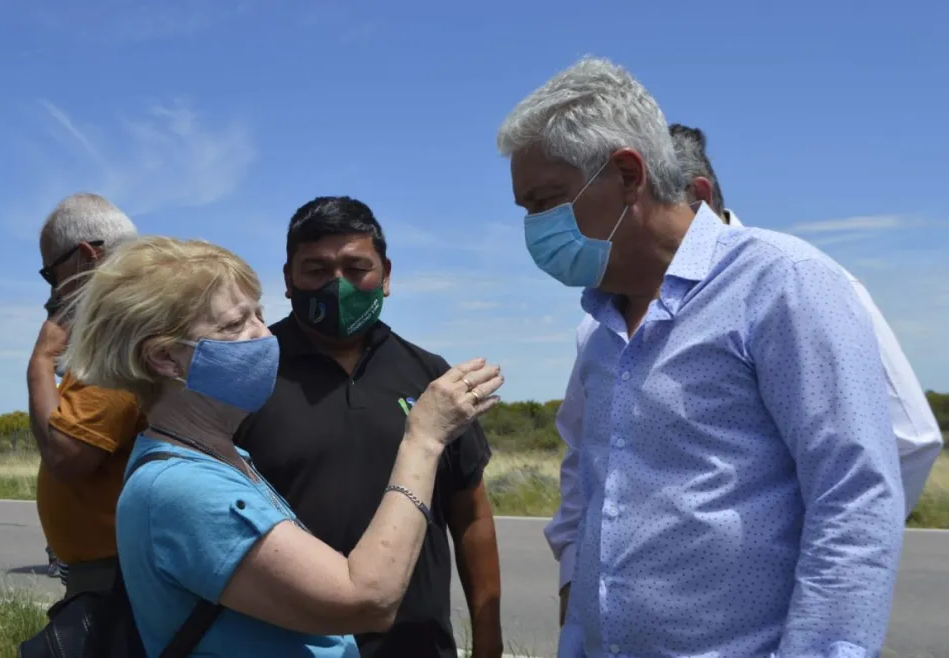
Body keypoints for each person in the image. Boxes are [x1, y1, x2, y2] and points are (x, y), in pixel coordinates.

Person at [496, 56, 905, 656]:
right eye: (526, 209)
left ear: (629, 175)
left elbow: (853, 497)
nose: (535, 227)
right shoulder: (603, 321)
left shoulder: (780, 282)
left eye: (547, 201)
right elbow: (593, 489)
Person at [544, 123, 945, 626]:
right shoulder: (601, 321)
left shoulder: (796, 284)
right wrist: (574, 581)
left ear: (696, 195)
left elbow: (903, 444)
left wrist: (809, 574)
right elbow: (586, 459)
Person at [57, 235, 504, 657]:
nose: (264, 334)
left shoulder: (221, 456)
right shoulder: (181, 489)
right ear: (165, 358)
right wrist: (423, 439)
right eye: (235, 324)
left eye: (258, 313)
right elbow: (366, 599)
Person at [234, 196, 503, 658]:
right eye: (316, 269)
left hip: (418, 646)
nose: (338, 285)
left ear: (387, 274)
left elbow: (471, 515)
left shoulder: (430, 375)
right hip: (286, 646)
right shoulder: (246, 374)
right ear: (287, 280)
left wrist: (489, 643)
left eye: (356, 268)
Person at [29, 192, 144, 598]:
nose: (54, 289)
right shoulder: (139, 315)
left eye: (51, 273)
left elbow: (67, 456)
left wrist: (41, 361)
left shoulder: (125, 328)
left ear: (86, 256)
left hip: (117, 583)